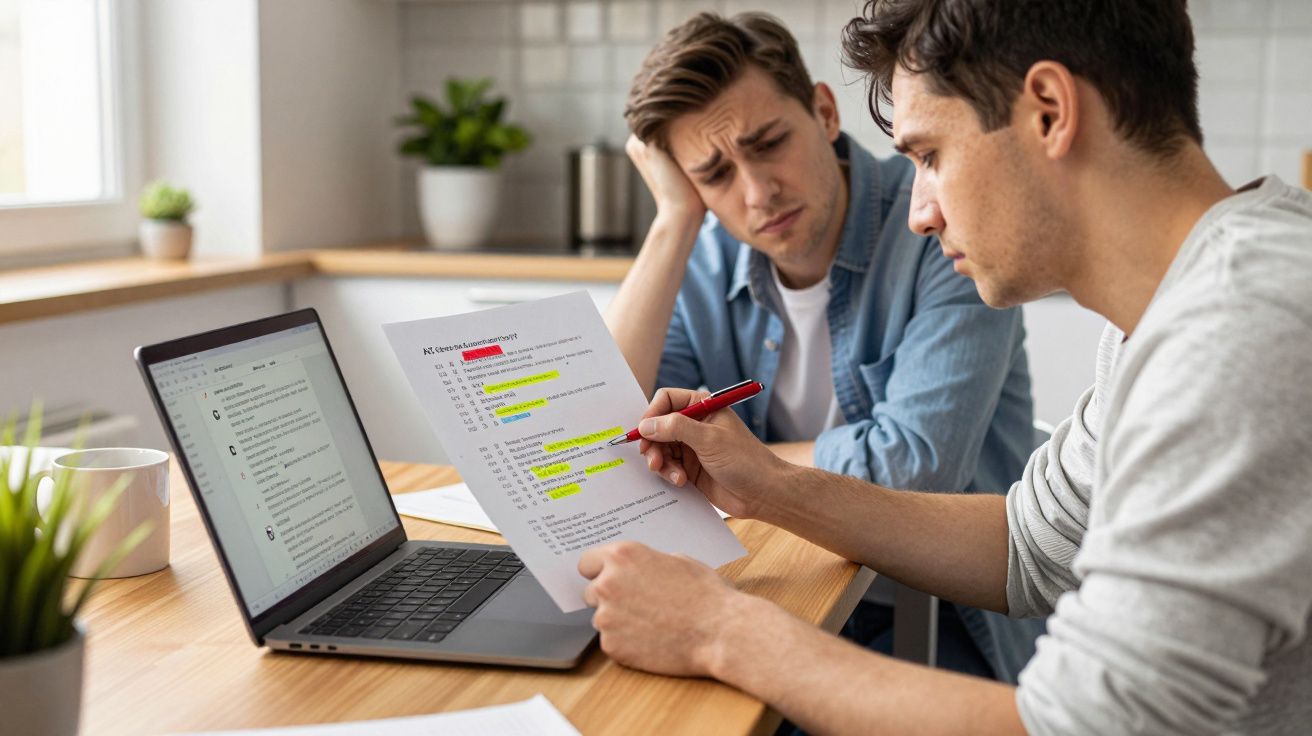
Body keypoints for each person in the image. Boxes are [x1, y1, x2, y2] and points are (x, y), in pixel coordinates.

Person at [580, 0, 1312, 733]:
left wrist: (718, 629)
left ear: (1051, 112)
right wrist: (769, 485)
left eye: (930, 156)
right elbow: (1032, 544)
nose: (919, 213)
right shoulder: (1178, 305)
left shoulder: (1240, 327)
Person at [604, 11, 1045, 682]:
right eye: (715, 174)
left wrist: (739, 465)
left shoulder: (942, 224)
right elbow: (615, 449)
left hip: (937, 616)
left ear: (823, 111)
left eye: (769, 142)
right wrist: (673, 222)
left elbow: (917, 468)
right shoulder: (701, 253)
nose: (757, 192)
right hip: (775, 587)